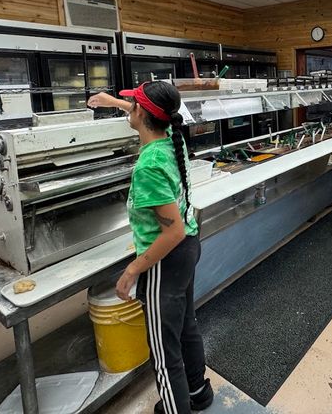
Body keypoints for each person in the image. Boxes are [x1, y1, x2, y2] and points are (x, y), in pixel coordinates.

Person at [88, 81, 213, 414]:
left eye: (134, 104)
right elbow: (141, 111)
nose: (131, 107)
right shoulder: (171, 140)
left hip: (166, 261)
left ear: (142, 113)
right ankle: (198, 392)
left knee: (162, 349)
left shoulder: (149, 167)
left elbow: (168, 233)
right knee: (186, 326)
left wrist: (133, 269)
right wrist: (112, 101)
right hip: (188, 247)